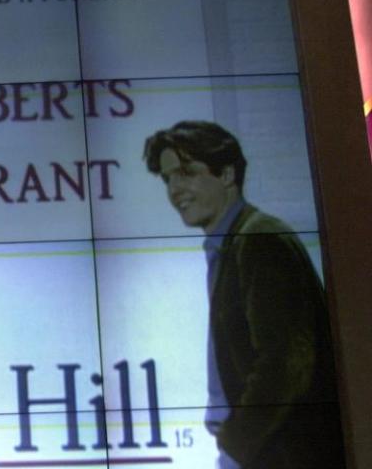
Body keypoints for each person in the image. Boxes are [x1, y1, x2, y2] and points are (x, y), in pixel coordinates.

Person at [143, 121, 344, 469]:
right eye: (168, 178)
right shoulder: (233, 243)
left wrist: (238, 443)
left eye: (187, 172)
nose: (175, 189)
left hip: (283, 455)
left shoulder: (259, 241)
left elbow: (285, 364)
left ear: (227, 175)